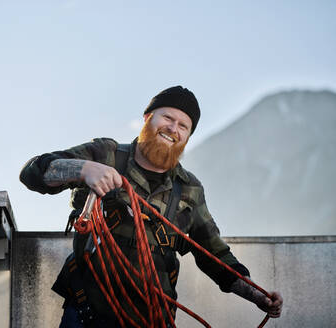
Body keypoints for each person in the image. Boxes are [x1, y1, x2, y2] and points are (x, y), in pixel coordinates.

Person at [20, 86, 283, 327]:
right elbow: (33, 173)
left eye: (183, 126)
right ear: (147, 117)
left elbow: (215, 256)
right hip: (88, 316)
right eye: (168, 118)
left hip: (154, 319)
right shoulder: (106, 154)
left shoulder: (190, 189)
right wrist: (84, 168)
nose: (173, 129)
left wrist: (258, 296)